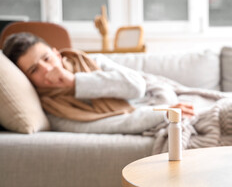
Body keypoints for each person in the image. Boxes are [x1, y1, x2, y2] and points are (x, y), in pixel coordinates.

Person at [2, 32, 195, 124]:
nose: (46, 69)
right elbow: (106, 125)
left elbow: (137, 86)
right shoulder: (52, 108)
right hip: (160, 113)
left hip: (163, 96)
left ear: (57, 54)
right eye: (34, 70)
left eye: (47, 58)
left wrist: (75, 82)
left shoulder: (90, 61)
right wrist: (161, 113)